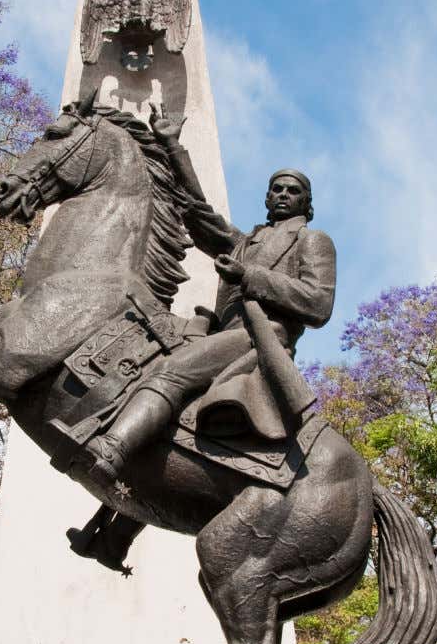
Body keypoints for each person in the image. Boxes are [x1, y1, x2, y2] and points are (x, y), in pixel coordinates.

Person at [72, 104, 337, 484]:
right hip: (221, 333)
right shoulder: (247, 241)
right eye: (276, 189)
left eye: (293, 191)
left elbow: (318, 302)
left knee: (171, 372)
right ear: (266, 199)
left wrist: (249, 275)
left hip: (261, 339)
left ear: (306, 204)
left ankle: (112, 449)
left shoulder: (313, 241)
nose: (283, 194)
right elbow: (199, 211)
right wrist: (172, 146)